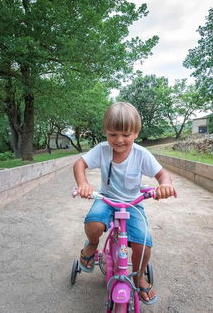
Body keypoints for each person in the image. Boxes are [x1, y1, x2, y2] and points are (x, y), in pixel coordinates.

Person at [73, 102, 176, 305]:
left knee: (143, 245)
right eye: (113, 135)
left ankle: (137, 276)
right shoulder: (102, 150)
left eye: (126, 135)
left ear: (136, 133)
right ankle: (92, 246)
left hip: (132, 203)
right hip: (106, 199)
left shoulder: (141, 154)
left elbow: (162, 174)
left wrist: (165, 185)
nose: (119, 140)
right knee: (93, 223)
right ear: (105, 133)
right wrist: (83, 183)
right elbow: (80, 164)